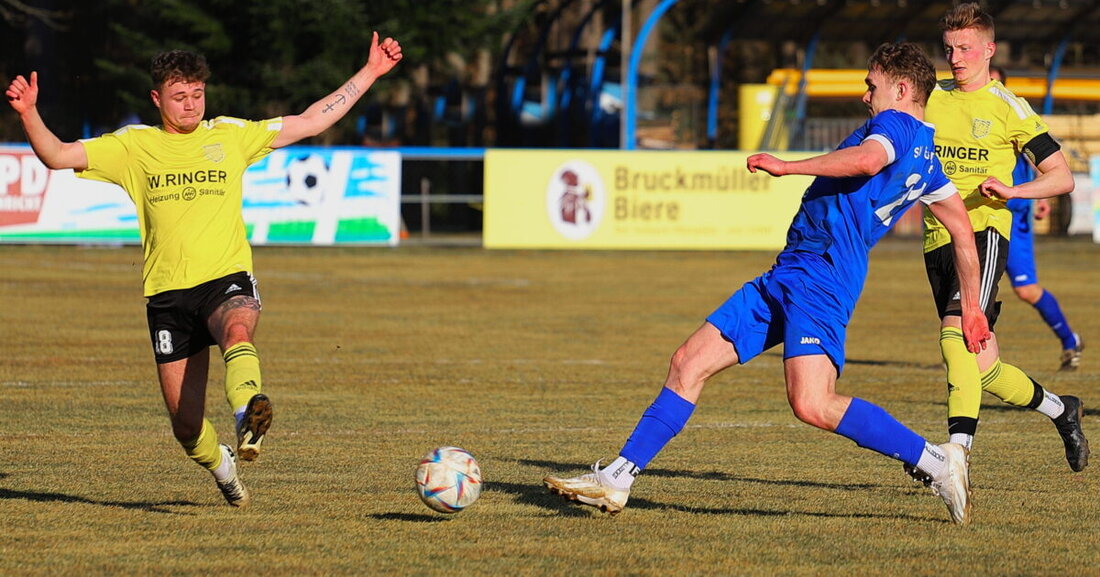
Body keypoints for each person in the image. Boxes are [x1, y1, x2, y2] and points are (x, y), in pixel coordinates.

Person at [545, 42, 990, 525]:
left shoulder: (895, 126)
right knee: (688, 362)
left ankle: (938, 463)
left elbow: (866, 161)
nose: (866, 96)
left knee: (812, 403)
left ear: (902, 89)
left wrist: (787, 166)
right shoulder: (928, 157)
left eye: (871, 85)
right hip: (791, 271)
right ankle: (617, 478)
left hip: (823, 274)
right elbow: (963, 231)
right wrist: (971, 305)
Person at [5, 33, 403, 507]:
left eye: (198, 94)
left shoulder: (229, 135)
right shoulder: (133, 147)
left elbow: (311, 120)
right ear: (157, 99)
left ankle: (246, 414)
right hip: (168, 296)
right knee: (185, 425)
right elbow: (57, 155)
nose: (191, 104)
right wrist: (29, 112)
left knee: (237, 330)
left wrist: (371, 72)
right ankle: (224, 467)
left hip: (226, 277)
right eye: (179, 96)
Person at [921, 3, 1087, 473]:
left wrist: (1014, 190)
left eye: (966, 48)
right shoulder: (932, 96)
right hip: (937, 239)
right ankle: (1063, 409)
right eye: (950, 48)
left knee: (956, 335)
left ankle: (956, 457)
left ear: (989, 49)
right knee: (984, 367)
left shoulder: (1009, 106)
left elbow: (1061, 177)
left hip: (985, 235)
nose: (956, 57)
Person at [989, 65, 1083, 372]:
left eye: (994, 82)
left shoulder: (1010, 114)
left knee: (1027, 289)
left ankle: (1070, 340)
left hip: (1012, 218)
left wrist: (1039, 196)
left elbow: (1038, 158)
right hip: (979, 214)